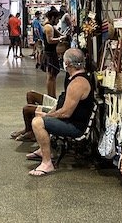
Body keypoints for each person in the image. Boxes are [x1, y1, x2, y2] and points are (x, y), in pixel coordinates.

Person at [26, 48, 94, 176]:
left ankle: (47, 163)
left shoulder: (78, 83)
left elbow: (65, 113)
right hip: (69, 120)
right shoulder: (73, 78)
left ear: (68, 63)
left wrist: (48, 116)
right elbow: (61, 104)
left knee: (37, 123)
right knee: (38, 115)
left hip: (75, 127)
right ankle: (43, 150)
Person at [10, 43, 71, 142]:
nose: (60, 59)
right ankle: (29, 129)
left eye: (62, 56)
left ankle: (31, 132)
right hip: (59, 102)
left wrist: (51, 114)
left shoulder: (76, 80)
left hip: (59, 108)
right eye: (58, 55)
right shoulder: (69, 74)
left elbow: (67, 109)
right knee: (31, 94)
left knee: (27, 109)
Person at [43, 8, 66, 98]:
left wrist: (62, 36)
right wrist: (60, 39)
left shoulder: (50, 26)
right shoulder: (48, 27)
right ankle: (51, 96)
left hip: (51, 53)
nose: (58, 21)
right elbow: (50, 40)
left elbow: (59, 33)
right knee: (51, 76)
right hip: (50, 53)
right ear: (53, 17)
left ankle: (53, 96)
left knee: (52, 76)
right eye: (57, 19)